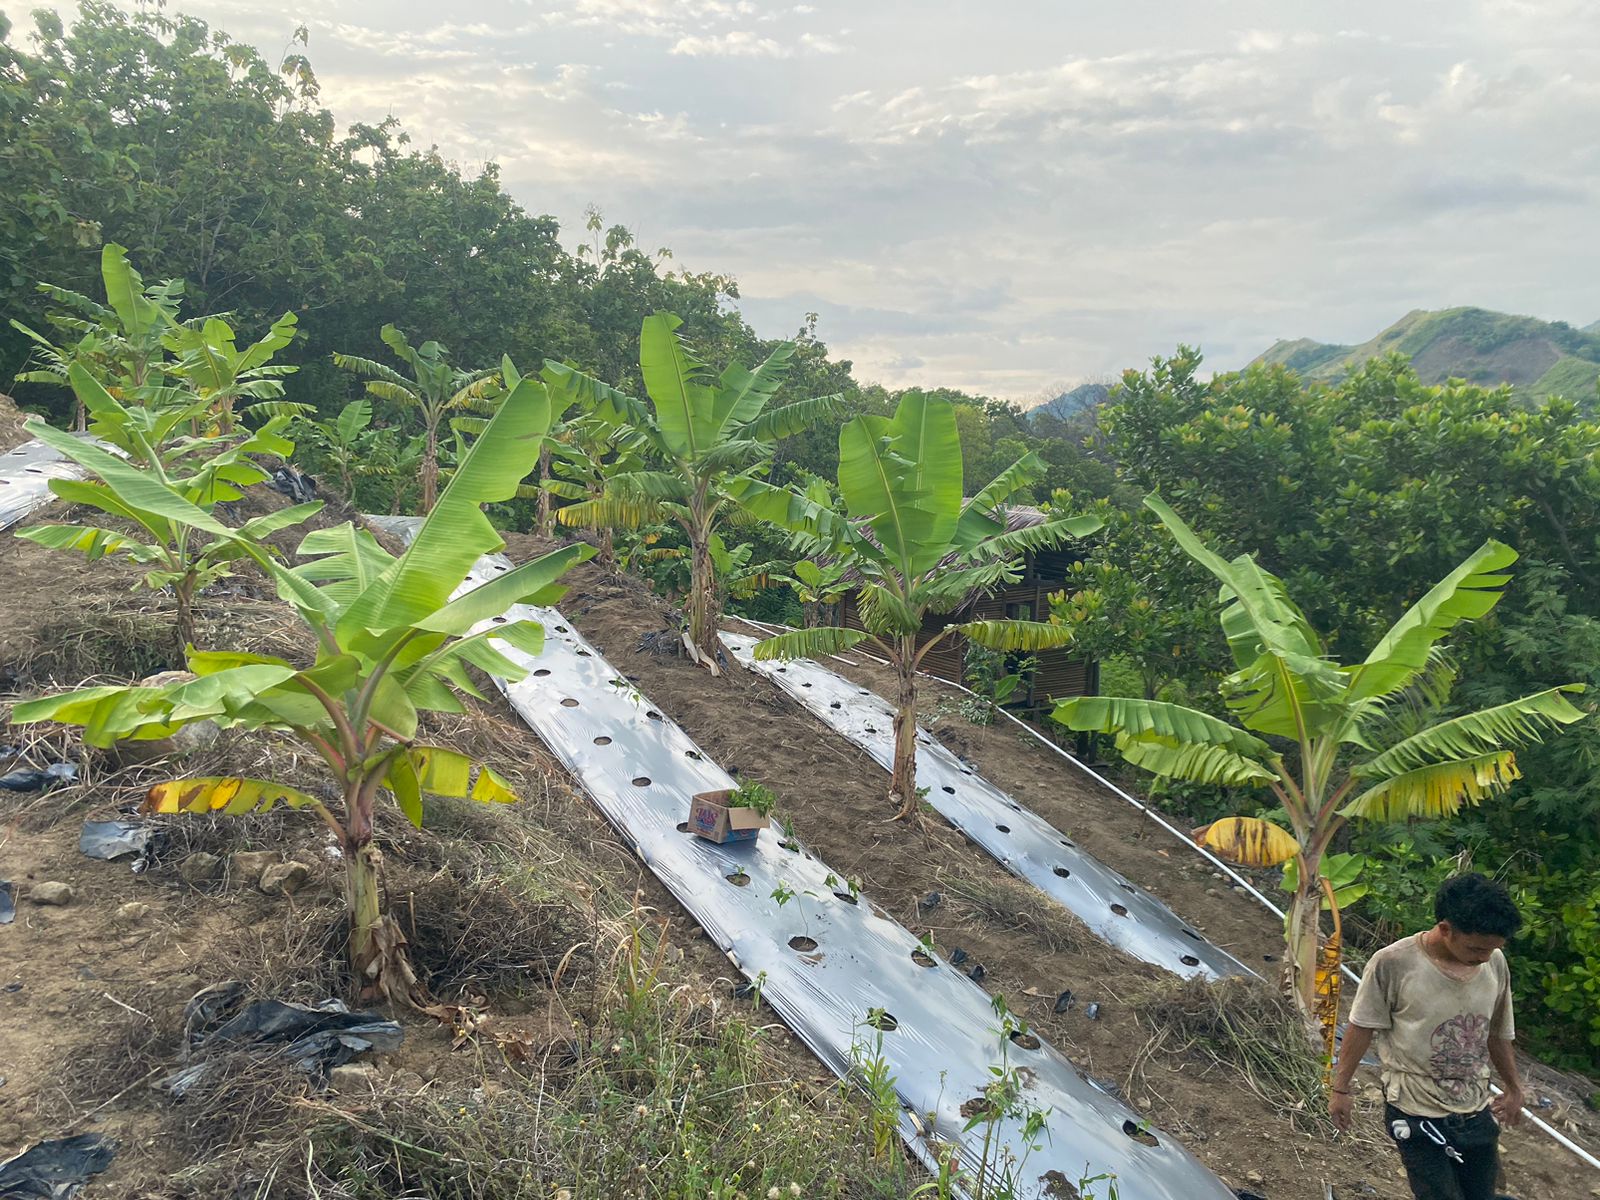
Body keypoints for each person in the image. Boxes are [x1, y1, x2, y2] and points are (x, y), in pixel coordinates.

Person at [1330, 872, 1527, 1200]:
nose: (1484, 957)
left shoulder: (1495, 963)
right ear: (1446, 929)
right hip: (1415, 1111)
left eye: (1493, 949)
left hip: (1475, 1109)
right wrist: (1341, 1089)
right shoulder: (1394, 963)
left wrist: (1514, 1087)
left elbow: (1496, 1033)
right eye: (1477, 948)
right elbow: (1361, 1027)